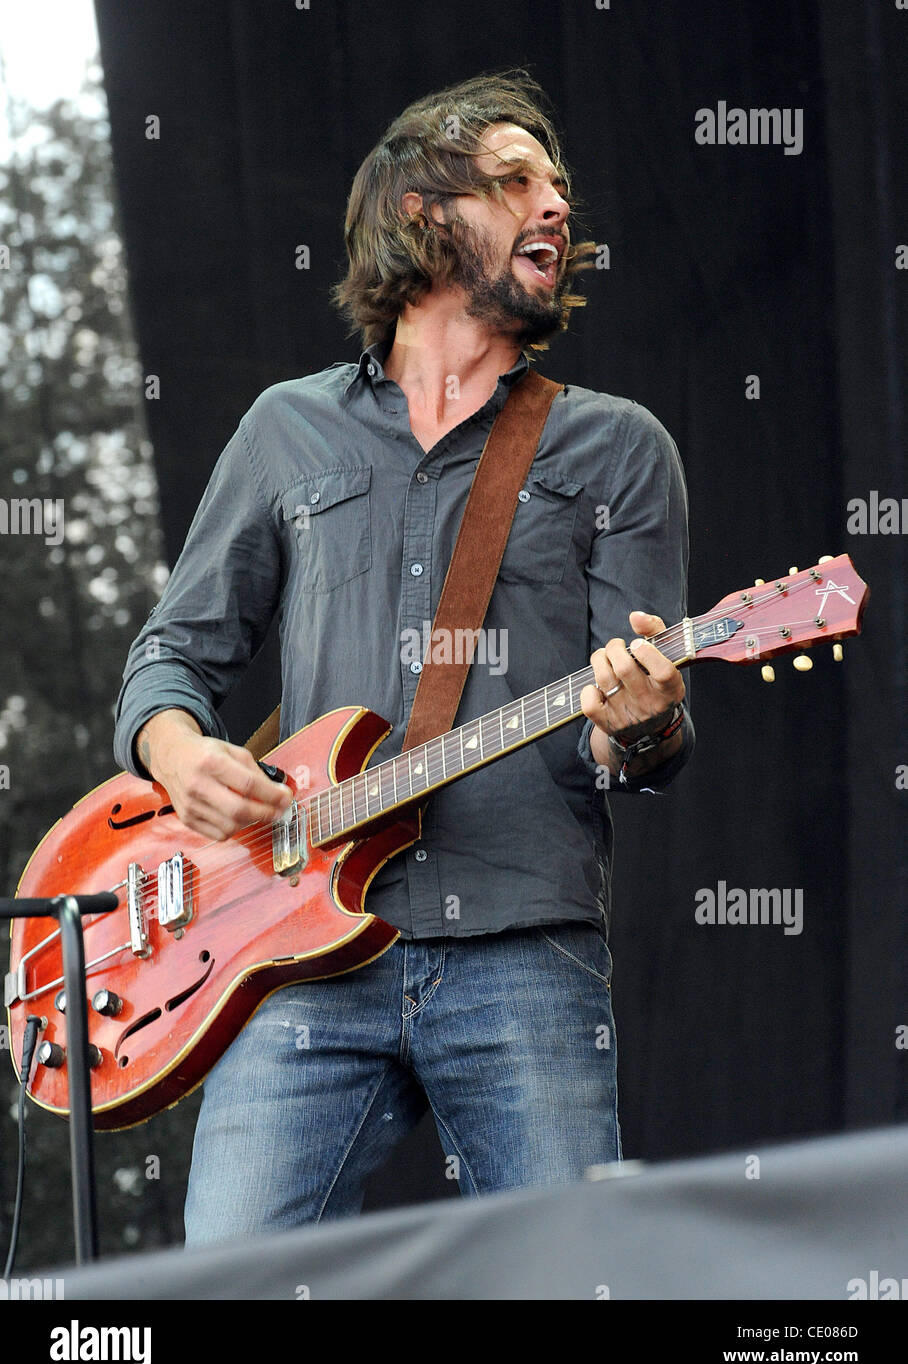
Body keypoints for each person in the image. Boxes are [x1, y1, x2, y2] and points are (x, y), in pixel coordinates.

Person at [113, 70, 694, 1243]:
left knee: (572, 1280)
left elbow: (628, 746)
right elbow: (173, 652)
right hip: (290, 954)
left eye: (562, 188)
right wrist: (175, 752)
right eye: (516, 179)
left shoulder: (617, 449)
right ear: (423, 213)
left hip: (521, 953)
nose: (556, 206)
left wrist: (640, 719)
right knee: (222, 1284)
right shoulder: (287, 427)